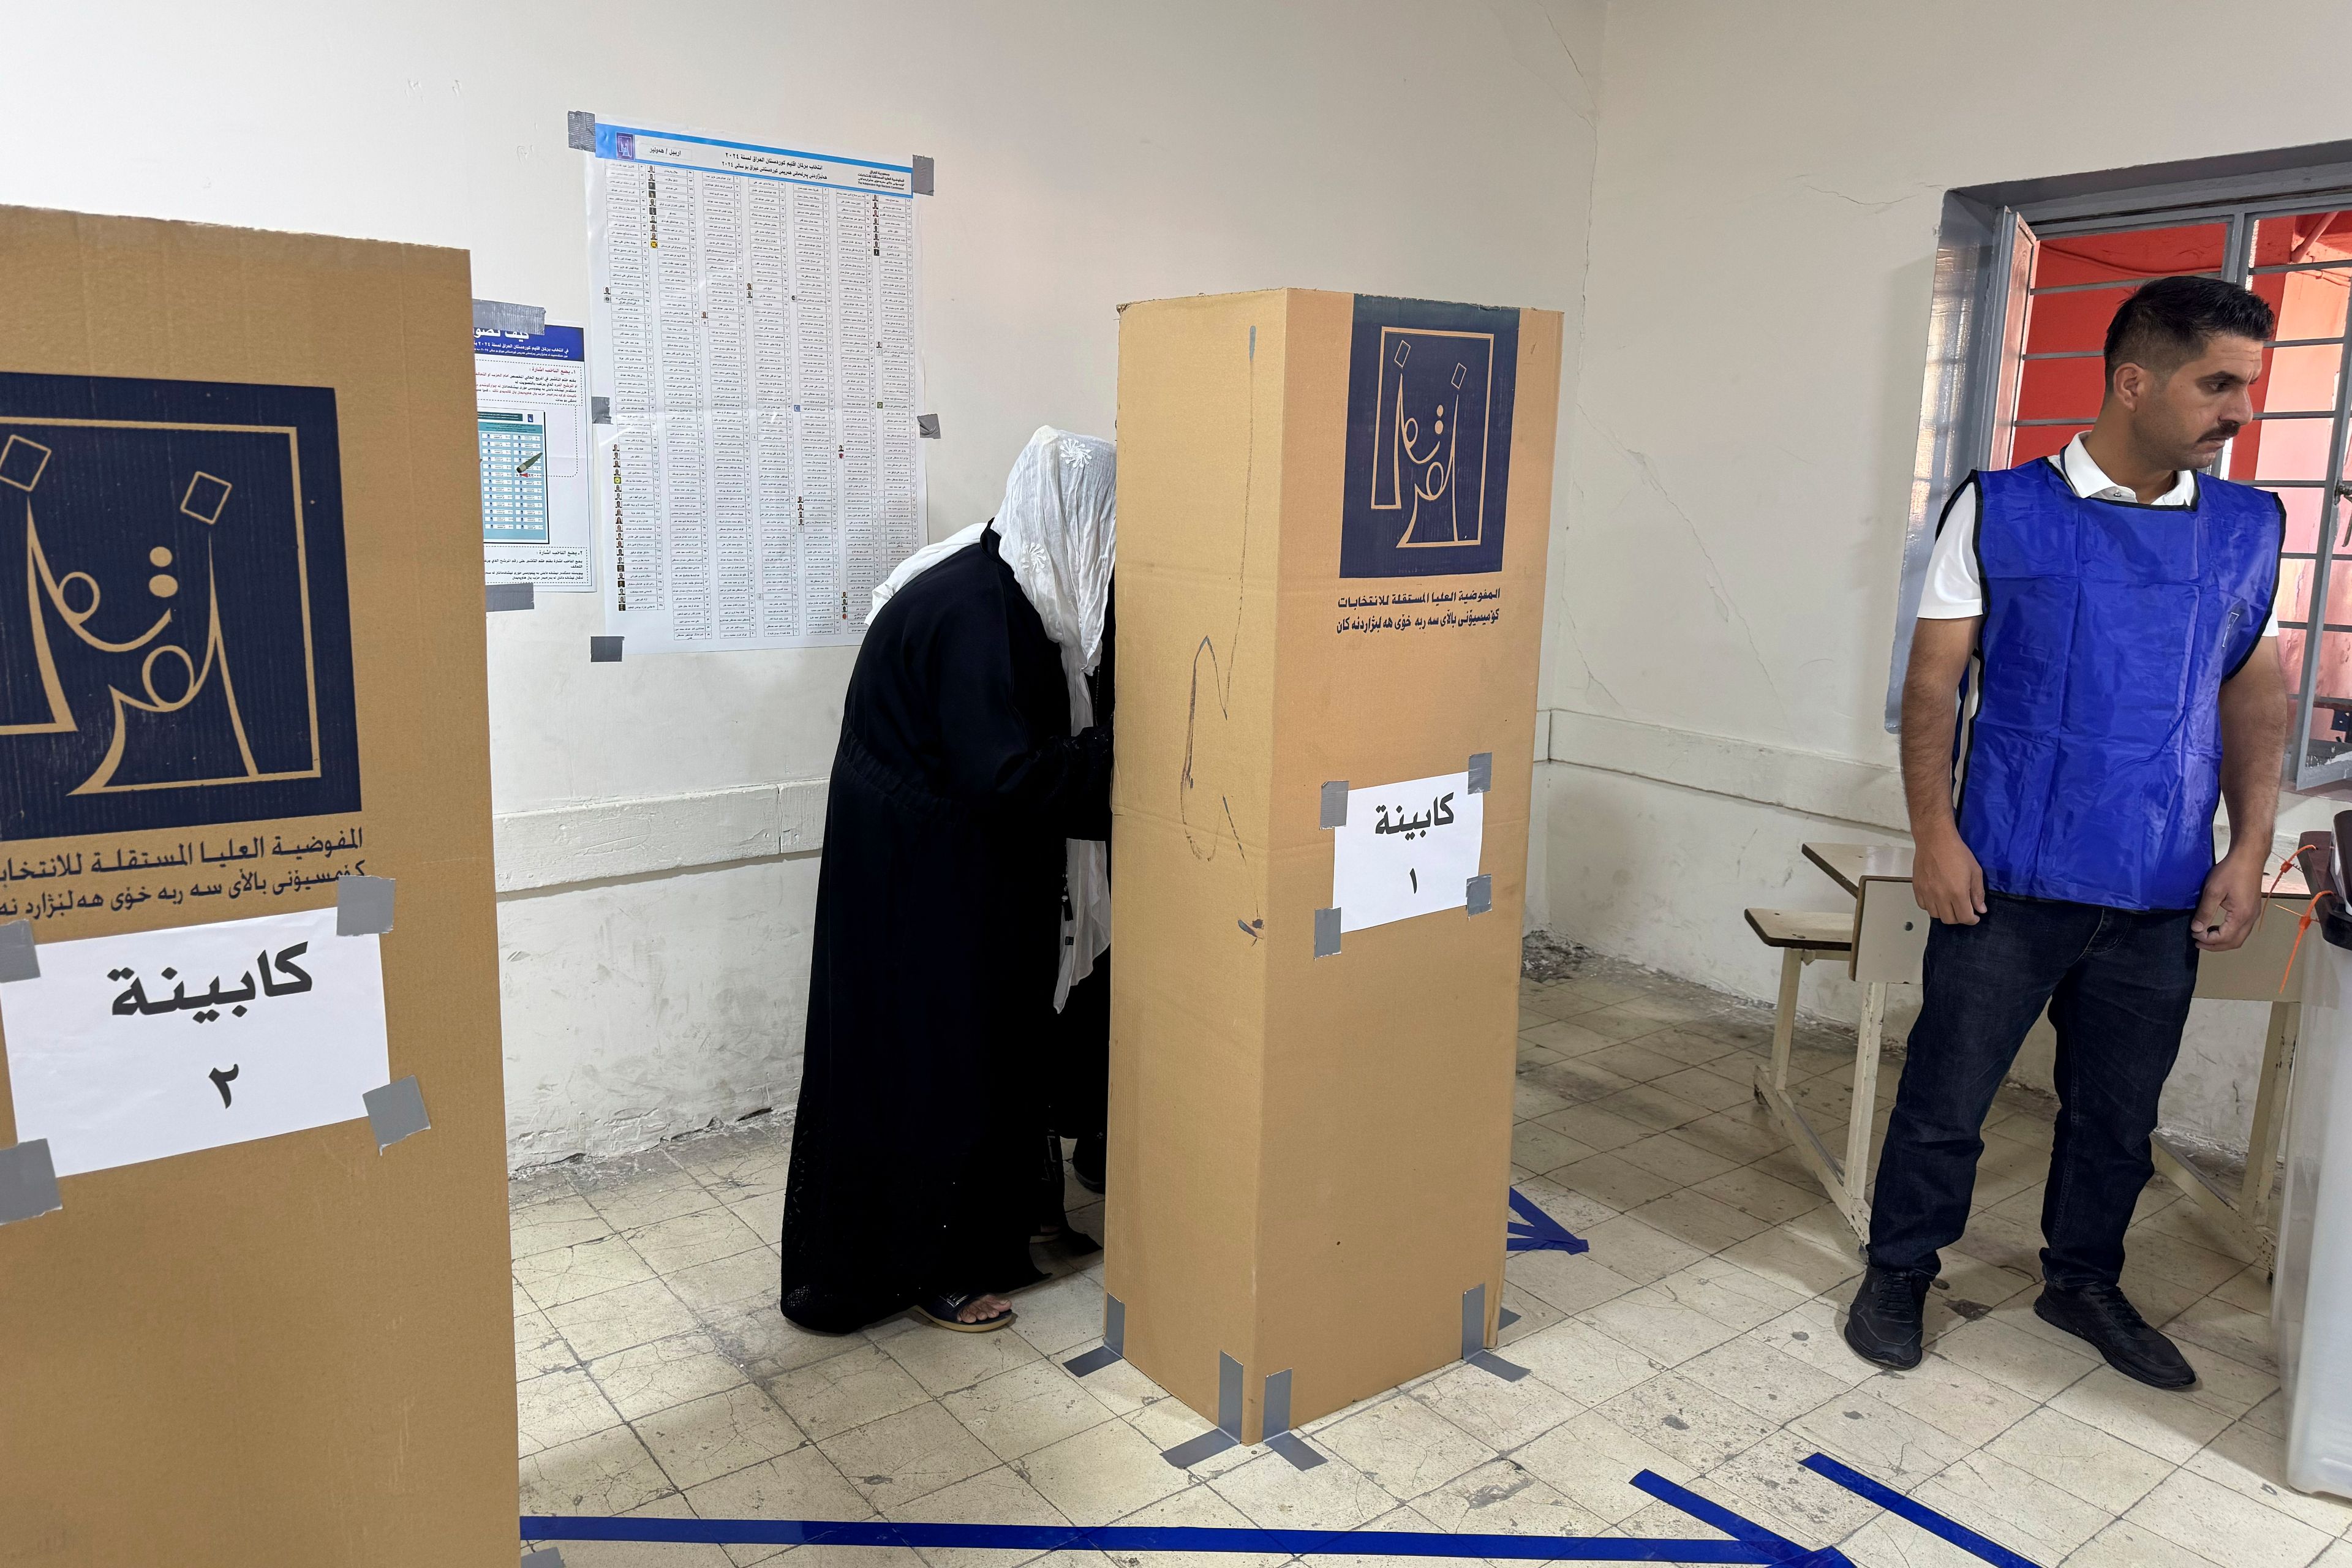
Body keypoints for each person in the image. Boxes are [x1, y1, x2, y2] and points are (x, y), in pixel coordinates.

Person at [1847, 275, 2291, 1387]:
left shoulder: (2246, 528)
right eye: (2218, 384)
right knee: (1948, 1098)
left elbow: (2254, 696)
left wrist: (2246, 848)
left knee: (2117, 1117)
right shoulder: (2002, 508)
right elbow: (1932, 688)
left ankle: (2082, 1280)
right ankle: (1901, 1267)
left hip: (2159, 885)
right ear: (2134, 380)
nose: (2239, 411)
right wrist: (1934, 837)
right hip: (2010, 876)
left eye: (2249, 385)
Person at [778, 427, 1115, 1335]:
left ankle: (976, 1234)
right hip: (923, 881)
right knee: (942, 1064)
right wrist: (1134, 761)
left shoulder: (998, 584)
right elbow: (1004, 775)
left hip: (926, 867)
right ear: (1073, 520)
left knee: (970, 1053)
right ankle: (935, 1268)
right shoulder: (980, 613)